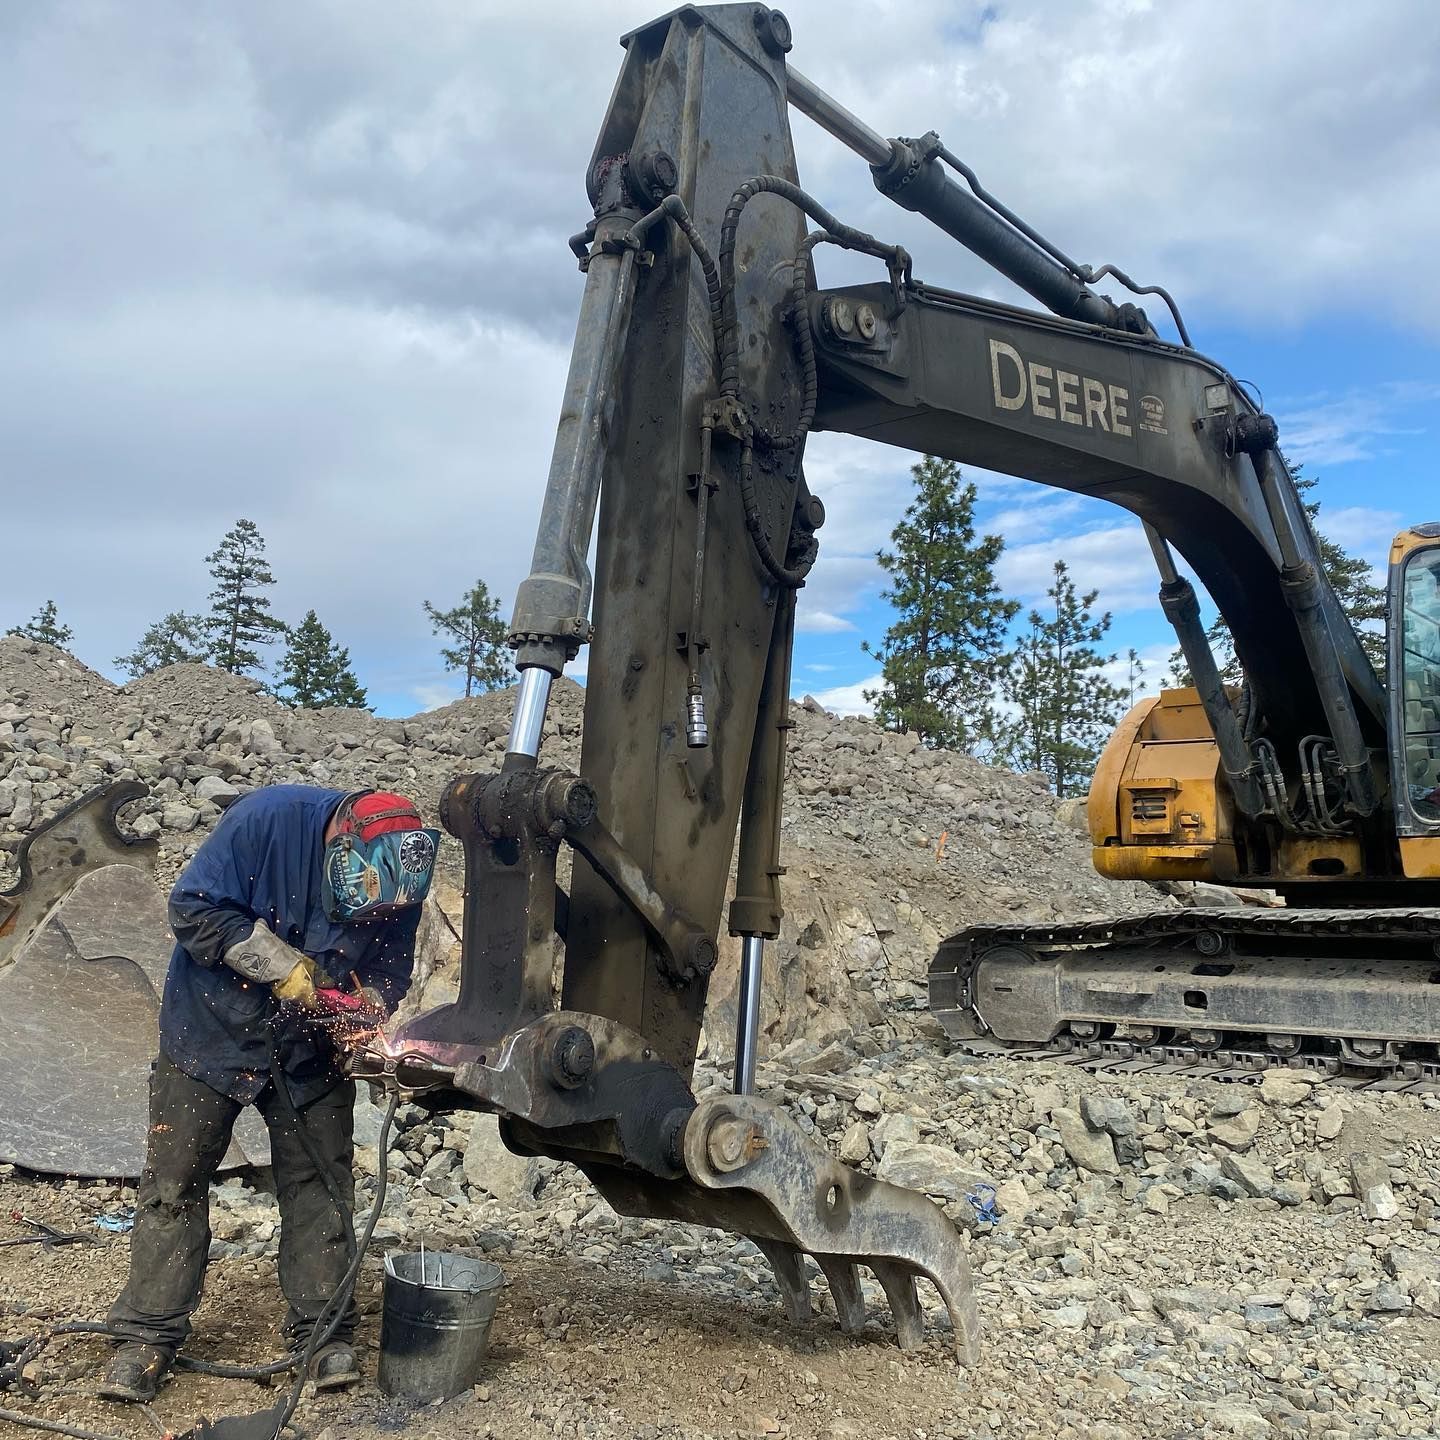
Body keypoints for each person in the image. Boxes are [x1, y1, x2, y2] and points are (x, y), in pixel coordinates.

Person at [99, 785, 439, 1404]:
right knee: (175, 1184)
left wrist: (363, 1017)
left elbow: (390, 966)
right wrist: (281, 966)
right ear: (339, 841)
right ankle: (147, 1334)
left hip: (310, 1051)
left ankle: (322, 1332)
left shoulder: (402, 875)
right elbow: (194, 907)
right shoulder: (265, 823)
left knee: (321, 1187)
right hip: (211, 1031)